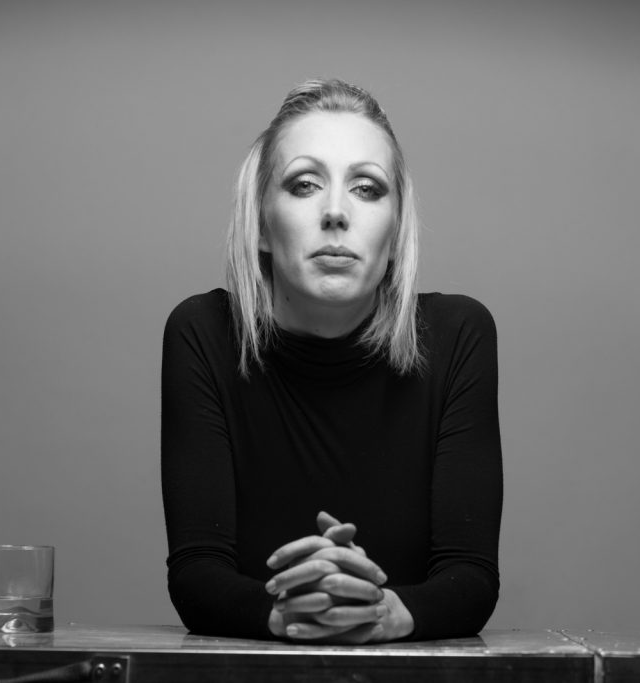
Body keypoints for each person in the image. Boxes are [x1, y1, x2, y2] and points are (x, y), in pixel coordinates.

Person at [161, 78, 502, 643]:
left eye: (367, 188)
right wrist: (293, 610)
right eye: (304, 184)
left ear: (396, 231)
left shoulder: (458, 335)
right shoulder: (203, 333)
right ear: (261, 223)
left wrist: (382, 611)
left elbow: (471, 578)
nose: (337, 212)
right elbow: (196, 575)